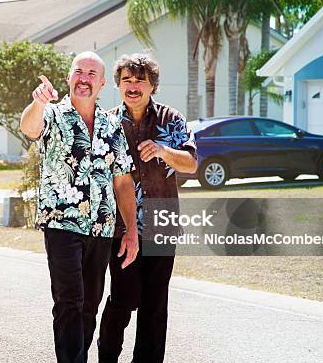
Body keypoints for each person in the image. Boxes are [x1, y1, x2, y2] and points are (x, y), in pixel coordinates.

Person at [20, 51, 139, 363]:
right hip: (62, 223)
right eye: (78, 71)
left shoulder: (112, 125)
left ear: (101, 84)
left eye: (91, 74)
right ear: (69, 77)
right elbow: (30, 128)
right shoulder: (52, 115)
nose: (83, 78)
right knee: (69, 300)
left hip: (101, 226)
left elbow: (123, 180)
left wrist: (131, 231)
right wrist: (38, 102)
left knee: (89, 304)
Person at [98, 53, 198, 363]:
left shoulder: (172, 119)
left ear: (152, 85)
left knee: (155, 304)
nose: (132, 86)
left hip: (162, 225)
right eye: (126, 80)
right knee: (124, 298)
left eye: (139, 80)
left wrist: (163, 150)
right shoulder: (108, 122)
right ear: (118, 85)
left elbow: (192, 163)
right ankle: (107, 357)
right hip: (121, 226)